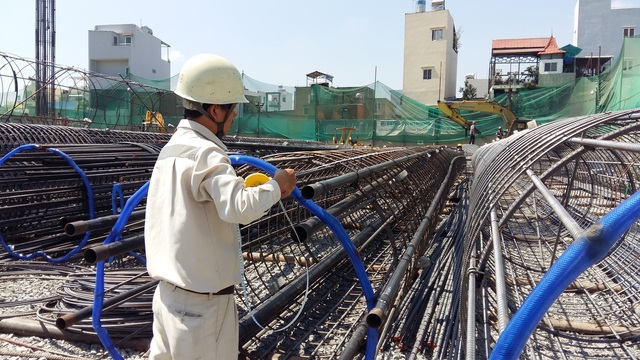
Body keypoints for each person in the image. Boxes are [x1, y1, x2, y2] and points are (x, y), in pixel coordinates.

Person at [144, 54, 297, 360]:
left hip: (167, 298)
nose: (234, 117)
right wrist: (276, 185)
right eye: (233, 110)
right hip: (203, 308)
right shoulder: (208, 153)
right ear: (215, 109)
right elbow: (239, 207)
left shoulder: (172, 149)